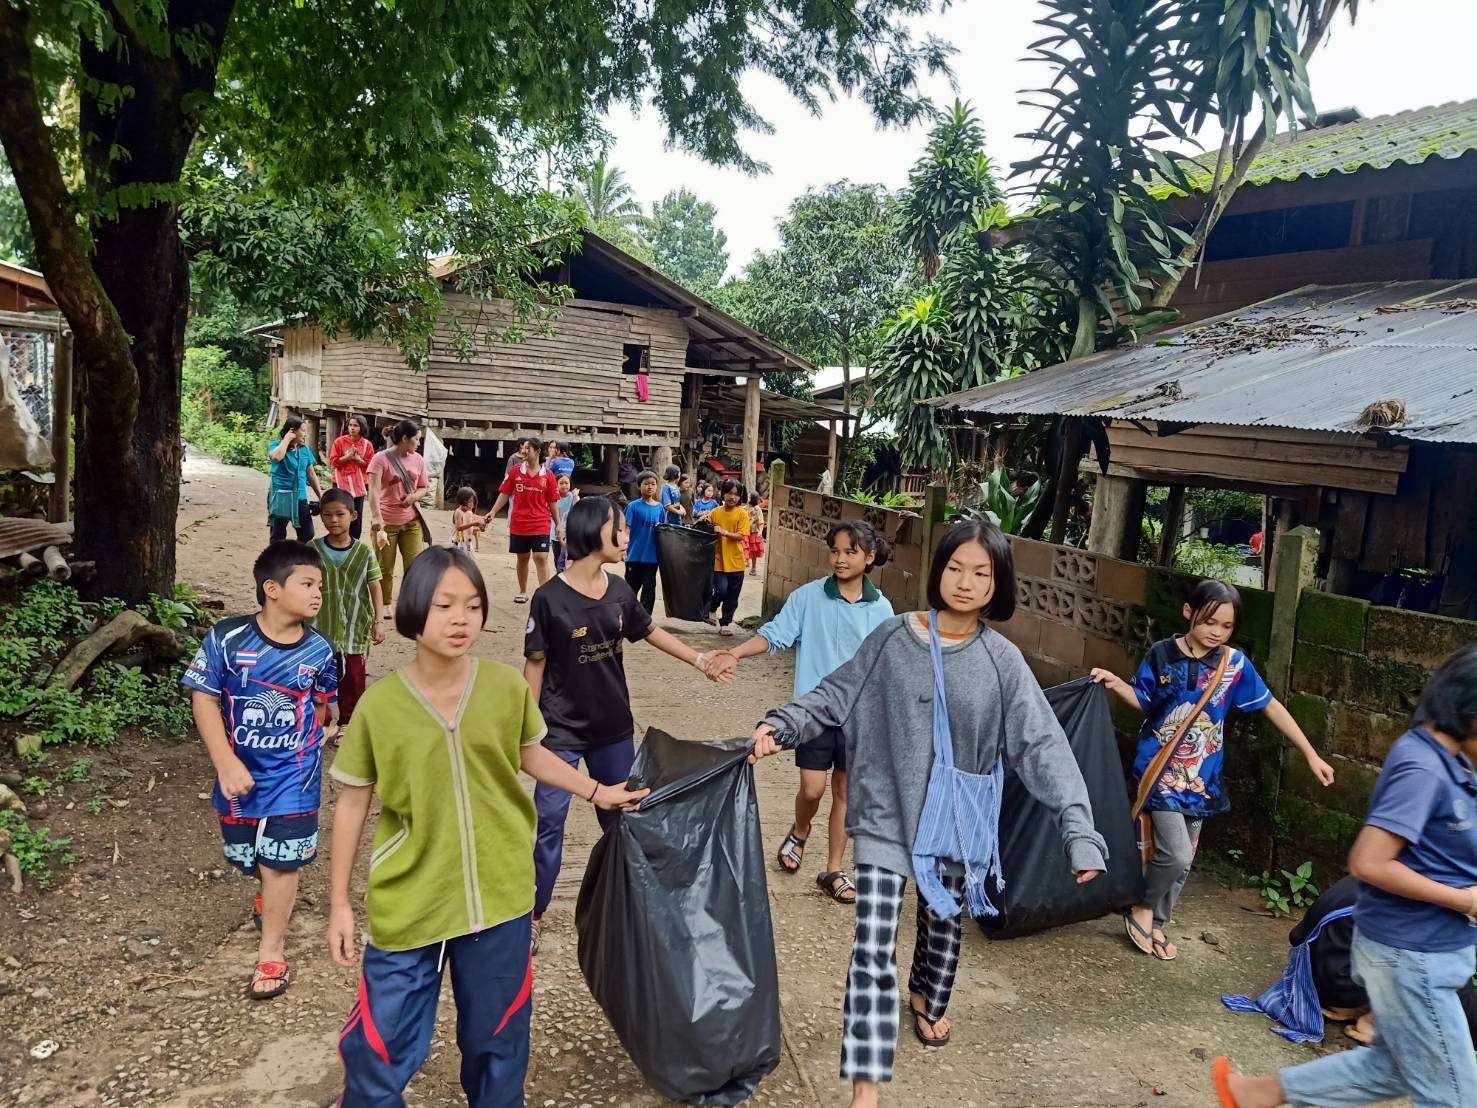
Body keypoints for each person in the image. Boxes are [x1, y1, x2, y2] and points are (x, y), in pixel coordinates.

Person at [749, 521, 1106, 1106]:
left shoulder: (1003, 662)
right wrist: (782, 725)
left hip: (956, 821)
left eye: (981, 573)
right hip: (887, 813)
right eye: (956, 568)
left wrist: (1079, 830)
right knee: (872, 951)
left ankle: (928, 999)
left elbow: (1044, 747)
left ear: (998, 584)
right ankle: (866, 1089)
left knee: (942, 930)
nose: (965, 583)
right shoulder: (894, 637)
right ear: (937, 570)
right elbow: (836, 693)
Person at [327, 547, 648, 1106]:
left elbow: (530, 753)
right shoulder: (378, 707)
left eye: (473, 606)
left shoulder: (506, 688)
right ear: (412, 610)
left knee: (497, 1044)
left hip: (500, 896)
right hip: (412, 900)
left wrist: (598, 791)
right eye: (444, 604)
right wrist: (339, 903)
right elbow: (353, 805)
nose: (460, 619)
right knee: (378, 1050)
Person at [1213, 644, 1477, 1108]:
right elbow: (1370, 862)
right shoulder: (1422, 766)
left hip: (1425, 953)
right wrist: (1464, 900)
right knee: (1456, 1096)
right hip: (1409, 957)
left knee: (1389, 1069)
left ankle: (1257, 1093)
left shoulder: (1455, 763)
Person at [525, 496, 731, 954]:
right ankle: (534, 913)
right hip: (558, 731)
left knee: (622, 820)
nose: (625, 537)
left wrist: (700, 660)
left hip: (613, 729)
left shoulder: (620, 590)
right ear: (594, 531)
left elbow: (650, 631)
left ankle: (634, 903)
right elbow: (534, 666)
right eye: (618, 528)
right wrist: (527, 731)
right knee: (549, 823)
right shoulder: (548, 599)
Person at [1091, 579, 1335, 961]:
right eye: (1209, 622)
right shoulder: (1161, 654)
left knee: (1183, 861)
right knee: (1176, 855)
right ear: (1189, 613)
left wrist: (1310, 753)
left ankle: (1156, 921)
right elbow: (1144, 700)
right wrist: (1115, 682)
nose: (1216, 633)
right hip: (1159, 772)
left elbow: (1271, 706)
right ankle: (1141, 907)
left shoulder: (1235, 665)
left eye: (1226, 626)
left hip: (1203, 781)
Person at [181, 540, 338, 1000]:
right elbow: (203, 697)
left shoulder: (321, 651)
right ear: (271, 589)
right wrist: (224, 761)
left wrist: (325, 728)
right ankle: (265, 893)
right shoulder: (226, 639)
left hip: (296, 779)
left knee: (280, 862)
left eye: (320, 586)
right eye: (307, 584)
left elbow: (326, 703)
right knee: (245, 858)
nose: (317, 595)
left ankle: (272, 950)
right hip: (238, 778)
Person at [719, 520, 894, 904]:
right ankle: (800, 829)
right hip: (813, 713)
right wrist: (735, 652)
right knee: (812, 789)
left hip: (859, 717)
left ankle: (833, 869)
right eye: (835, 551)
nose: (840, 559)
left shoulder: (881, 608)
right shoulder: (809, 597)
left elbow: (887, 666)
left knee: (846, 792)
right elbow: (775, 634)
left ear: (869, 557)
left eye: (850, 552)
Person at [1221, 872, 1477, 1048]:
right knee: (1448, 977)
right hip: (1339, 978)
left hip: (1313, 964)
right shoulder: (1457, 888)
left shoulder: (1421, 858)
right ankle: (1373, 1022)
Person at [310, 490, 384, 741]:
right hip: (320, 627)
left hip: (356, 625)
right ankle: (322, 722)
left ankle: (348, 722)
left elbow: (375, 585)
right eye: (327, 515)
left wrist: (379, 621)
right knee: (318, 675)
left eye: (340, 514)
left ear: (353, 515)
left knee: (353, 677)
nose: (333, 520)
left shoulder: (364, 552)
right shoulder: (312, 550)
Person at [366, 419, 429, 620]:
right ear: (404, 439)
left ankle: (409, 603)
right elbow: (373, 491)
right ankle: (385, 603)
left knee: (414, 565)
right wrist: (376, 517)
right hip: (386, 523)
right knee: (385, 567)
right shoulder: (380, 459)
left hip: (412, 521)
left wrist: (413, 498)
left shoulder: (417, 459)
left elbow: (423, 487)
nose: (418, 444)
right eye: (416, 440)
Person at [485, 436, 558, 604]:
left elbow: (553, 502)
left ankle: (544, 595)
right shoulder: (515, 472)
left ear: (538, 452)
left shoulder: (548, 475)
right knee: (522, 558)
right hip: (519, 523)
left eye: (528, 448)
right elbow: (504, 493)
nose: (523, 451)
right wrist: (493, 512)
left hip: (540, 522)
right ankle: (522, 591)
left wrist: (558, 524)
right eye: (523, 448)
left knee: (540, 557)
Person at [267, 416, 323, 543]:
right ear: (292, 431)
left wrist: (320, 496)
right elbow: (276, 457)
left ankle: (295, 555)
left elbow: (311, 474)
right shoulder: (276, 445)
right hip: (280, 497)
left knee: (307, 533)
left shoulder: (304, 450)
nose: (305, 434)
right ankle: (277, 560)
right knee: (278, 534)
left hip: (300, 496)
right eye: (303, 431)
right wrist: (287, 439)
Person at [706, 479, 750, 636]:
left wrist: (724, 532)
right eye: (729, 493)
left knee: (732, 596)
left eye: (737, 494)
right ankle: (711, 607)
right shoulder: (715, 512)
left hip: (737, 561)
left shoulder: (742, 513)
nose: (732, 497)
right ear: (723, 493)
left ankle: (725, 623)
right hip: (718, 560)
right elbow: (706, 528)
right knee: (721, 591)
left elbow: (741, 535)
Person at [623, 470, 664, 616]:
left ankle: (645, 619)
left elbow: (663, 531)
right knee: (630, 589)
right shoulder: (633, 506)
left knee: (649, 588)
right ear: (639, 486)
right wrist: (624, 550)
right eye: (646, 484)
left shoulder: (660, 508)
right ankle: (627, 617)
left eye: (653, 484)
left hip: (652, 558)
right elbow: (626, 529)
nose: (650, 487)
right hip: (634, 556)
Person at [328, 414, 376, 541]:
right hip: (340, 482)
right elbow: (333, 461)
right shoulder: (339, 442)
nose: (352, 428)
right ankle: (337, 538)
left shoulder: (367, 445)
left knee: (355, 514)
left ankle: (354, 541)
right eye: (350, 425)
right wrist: (347, 457)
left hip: (358, 484)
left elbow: (370, 465)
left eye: (356, 426)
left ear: (362, 428)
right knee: (339, 511)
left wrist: (357, 459)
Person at [550, 473, 576, 573]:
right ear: (556, 485)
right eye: (561, 483)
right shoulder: (553, 497)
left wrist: (576, 496)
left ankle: (566, 577)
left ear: (570, 484)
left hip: (569, 533)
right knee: (557, 558)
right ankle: (559, 577)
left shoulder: (572, 496)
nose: (564, 485)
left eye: (566, 483)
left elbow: (577, 507)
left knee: (567, 558)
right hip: (555, 532)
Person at [452, 487, 484, 552]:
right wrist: (473, 523)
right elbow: (459, 528)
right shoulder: (458, 512)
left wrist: (478, 528)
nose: (471, 504)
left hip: (467, 542)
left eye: (473, 502)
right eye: (469, 502)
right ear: (462, 501)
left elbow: (468, 529)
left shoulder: (469, 513)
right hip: (459, 542)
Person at [745, 491, 766, 576]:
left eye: (749, 497)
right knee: (745, 548)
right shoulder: (744, 508)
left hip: (753, 533)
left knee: (753, 551)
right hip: (745, 532)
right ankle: (746, 561)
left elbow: (761, 522)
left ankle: (753, 568)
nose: (747, 498)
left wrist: (760, 532)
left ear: (752, 499)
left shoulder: (757, 509)